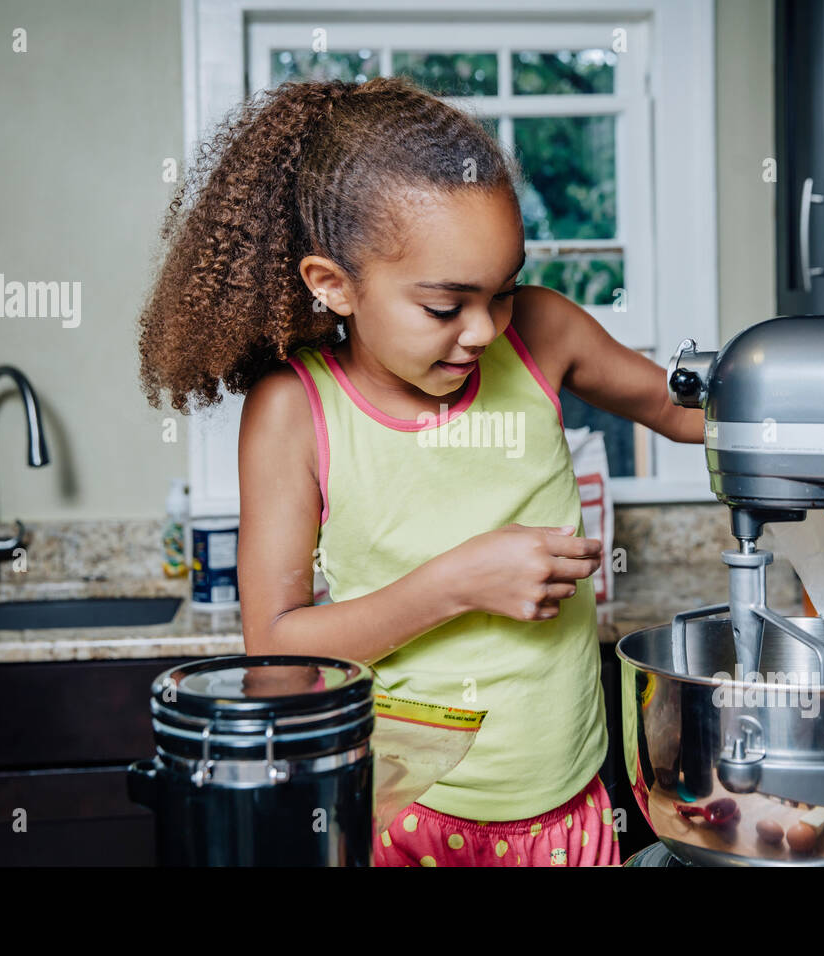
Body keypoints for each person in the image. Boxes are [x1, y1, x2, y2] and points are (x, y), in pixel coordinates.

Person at [137, 76, 705, 866]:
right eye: (445, 306)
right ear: (333, 285)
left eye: (502, 292)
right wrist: (460, 584)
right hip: (406, 820)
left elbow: (689, 411)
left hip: (572, 811)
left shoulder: (541, 333)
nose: (483, 331)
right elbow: (276, 655)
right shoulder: (294, 411)